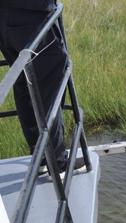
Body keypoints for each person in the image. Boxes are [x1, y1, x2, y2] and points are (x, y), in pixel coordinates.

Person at [0, 0, 81, 175]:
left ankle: (41, 158)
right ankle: (57, 163)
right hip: (33, 15)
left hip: (6, 16)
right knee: (51, 82)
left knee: (24, 82)